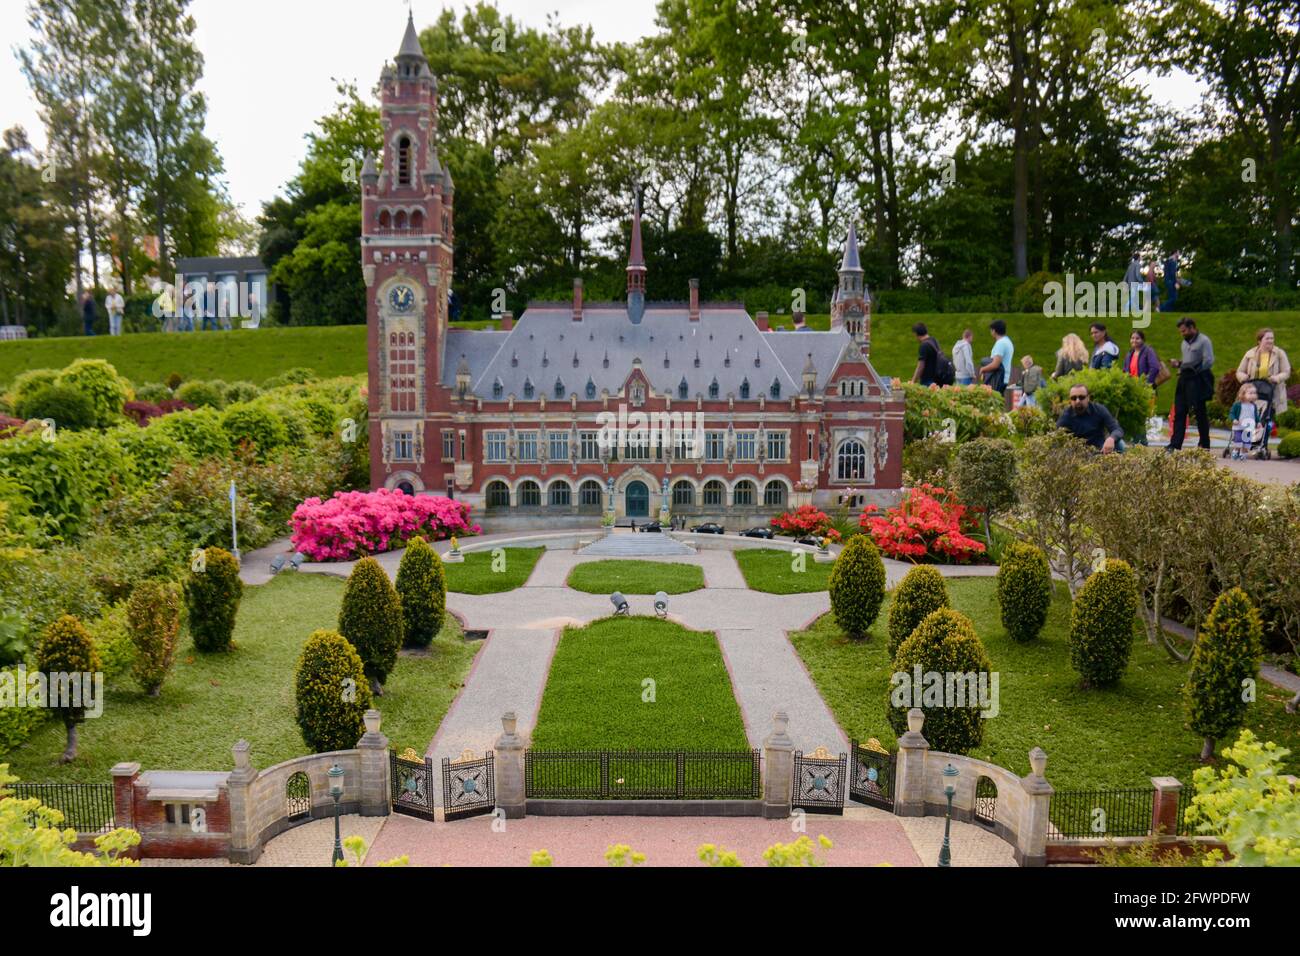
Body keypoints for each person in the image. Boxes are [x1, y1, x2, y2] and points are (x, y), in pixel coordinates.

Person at [1168, 317, 1214, 451]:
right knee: (1180, 411)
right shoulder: (1184, 343)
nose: (1182, 334)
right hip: (1184, 378)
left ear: (1192, 328)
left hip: (1198, 379)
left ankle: (1205, 443)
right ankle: (1175, 444)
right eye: (1181, 332)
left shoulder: (1204, 341)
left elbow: (1209, 360)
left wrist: (1193, 368)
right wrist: (1180, 365)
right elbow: (1186, 360)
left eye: (1184, 331)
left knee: (1200, 412)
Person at [1235, 327, 1291, 418]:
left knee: (1265, 418)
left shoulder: (1279, 353)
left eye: (1272, 338)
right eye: (1267, 338)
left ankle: (1264, 431)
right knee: (1248, 417)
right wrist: (1243, 377)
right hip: (1252, 391)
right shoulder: (1250, 354)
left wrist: (1277, 378)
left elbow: (1286, 371)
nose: (1270, 341)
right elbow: (1239, 371)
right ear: (1259, 341)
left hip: (1271, 392)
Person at [1057, 383, 1124, 453]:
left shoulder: (1099, 410)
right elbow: (1056, 437)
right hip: (1078, 455)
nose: (1077, 401)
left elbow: (1117, 429)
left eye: (1081, 397)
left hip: (1101, 451)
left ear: (1088, 398)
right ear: (1070, 400)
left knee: (1120, 444)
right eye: (1073, 398)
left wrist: (1111, 438)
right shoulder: (1066, 416)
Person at [1229, 382, 1264, 461]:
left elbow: (1256, 416)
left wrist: (1258, 422)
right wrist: (1234, 419)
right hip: (1238, 427)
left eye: (1254, 393)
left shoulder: (1253, 406)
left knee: (1246, 443)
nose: (1253, 395)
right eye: (1250, 393)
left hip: (1248, 428)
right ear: (1243, 394)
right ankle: (1236, 452)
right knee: (1238, 442)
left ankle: (1243, 454)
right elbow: (1232, 413)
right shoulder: (1238, 405)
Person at [979, 319, 1014, 393]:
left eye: (991, 330)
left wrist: (983, 369)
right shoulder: (1008, 341)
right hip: (1003, 378)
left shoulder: (1000, 343)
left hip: (998, 379)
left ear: (994, 331)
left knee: (994, 402)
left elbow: (995, 364)